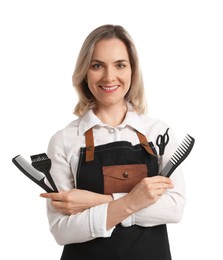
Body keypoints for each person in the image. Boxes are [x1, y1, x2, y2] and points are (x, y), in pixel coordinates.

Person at [40, 24, 185, 260]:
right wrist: (132, 202)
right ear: (85, 72)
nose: (109, 77)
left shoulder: (158, 133)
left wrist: (99, 202)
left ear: (132, 71)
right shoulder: (64, 140)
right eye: (97, 65)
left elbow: (174, 208)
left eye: (120, 65)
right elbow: (62, 230)